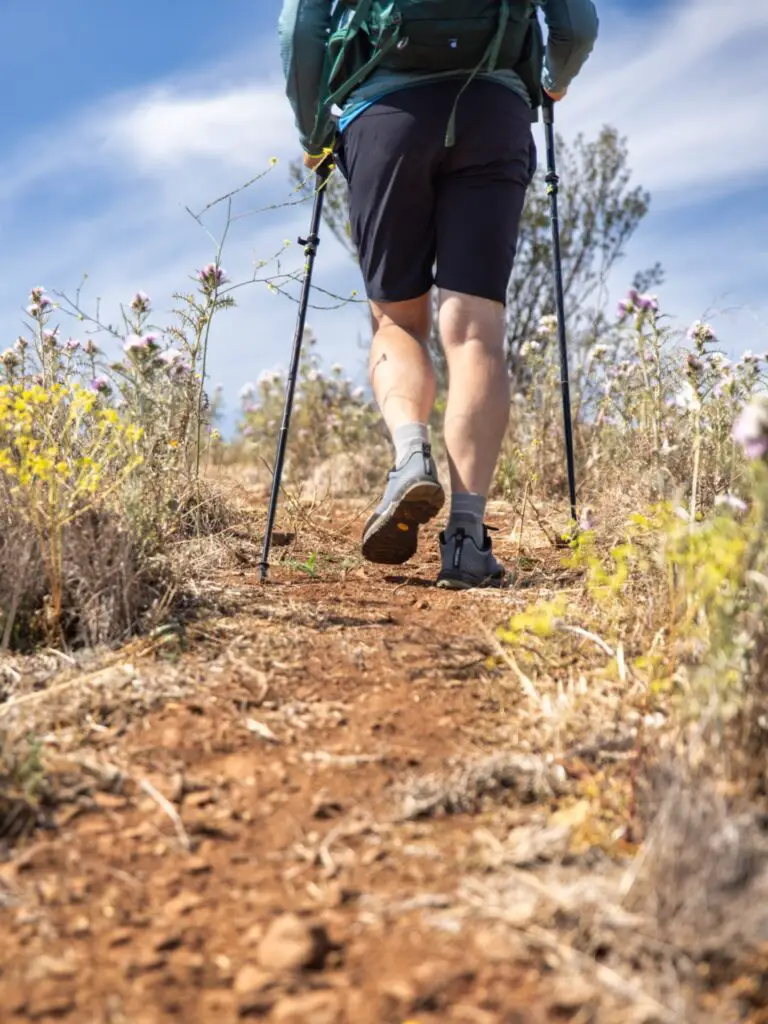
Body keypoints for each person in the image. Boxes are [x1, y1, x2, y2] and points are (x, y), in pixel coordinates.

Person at [278, 0, 598, 589]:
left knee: (396, 321)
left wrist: (314, 131)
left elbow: (301, 28)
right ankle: (468, 537)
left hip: (385, 118)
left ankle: (409, 455)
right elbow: (576, 24)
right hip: (493, 114)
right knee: (476, 330)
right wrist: (552, 80)